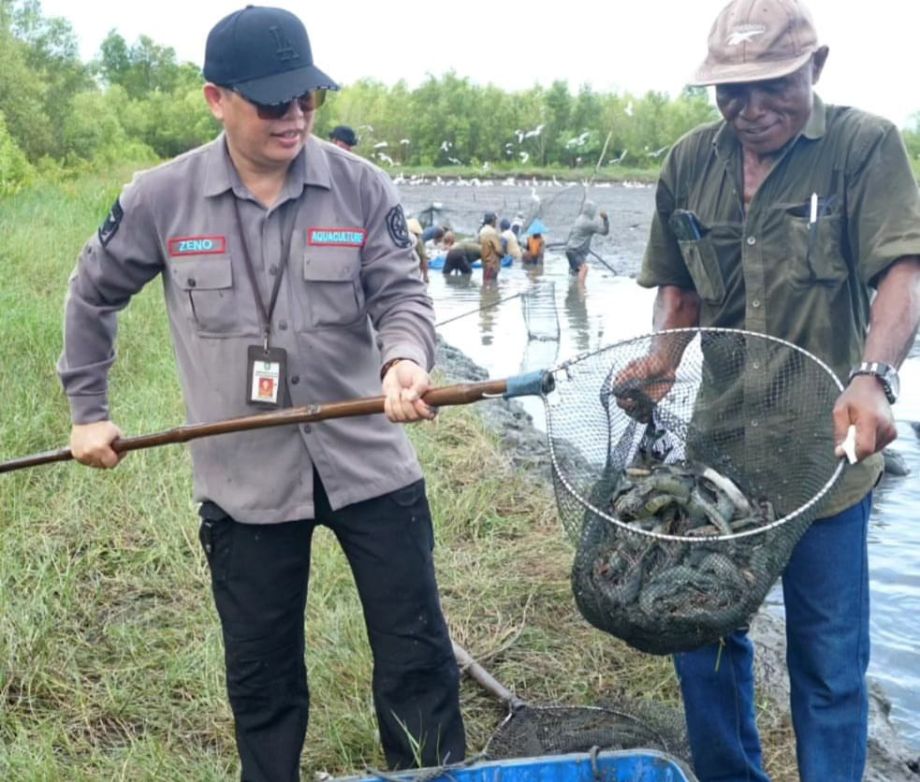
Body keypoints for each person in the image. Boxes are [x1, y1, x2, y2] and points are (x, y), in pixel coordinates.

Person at [56, 6, 466, 780]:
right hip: (242, 479)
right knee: (263, 678)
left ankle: (431, 774)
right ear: (217, 98)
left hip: (368, 459)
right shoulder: (159, 199)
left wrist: (404, 360)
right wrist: (89, 412)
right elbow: (92, 295)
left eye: (307, 99)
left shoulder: (361, 188)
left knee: (417, 655)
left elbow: (401, 294)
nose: (296, 117)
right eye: (274, 103)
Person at [630, 1, 920, 780]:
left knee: (827, 666)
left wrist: (875, 377)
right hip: (718, 456)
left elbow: (903, 270)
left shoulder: (864, 146)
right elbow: (681, 288)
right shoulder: (690, 162)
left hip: (826, 457)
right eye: (731, 91)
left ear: (815, 68)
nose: (750, 110)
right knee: (702, 640)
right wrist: (660, 362)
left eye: (772, 86)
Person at [564, 200, 609, 284]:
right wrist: (605, 219)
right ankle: (582, 291)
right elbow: (604, 232)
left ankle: (573, 291)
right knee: (584, 269)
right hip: (576, 251)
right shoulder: (589, 224)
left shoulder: (578, 219)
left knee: (575, 272)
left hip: (569, 249)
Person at [478, 211, 504, 280]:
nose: (496, 222)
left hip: (485, 263)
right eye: (495, 220)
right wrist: (503, 255)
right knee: (492, 285)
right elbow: (499, 250)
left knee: (486, 283)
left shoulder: (482, 231)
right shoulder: (492, 232)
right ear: (492, 221)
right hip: (492, 264)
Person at [406, 217, 429, 283]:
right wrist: (425, 276)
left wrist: (425, 276)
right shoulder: (418, 241)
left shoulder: (401, 241)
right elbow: (424, 259)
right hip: (414, 271)